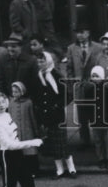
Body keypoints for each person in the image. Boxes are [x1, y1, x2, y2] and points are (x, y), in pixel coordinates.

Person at [32, 50, 76, 178]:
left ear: (48, 61)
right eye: (38, 61)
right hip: (46, 116)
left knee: (62, 143)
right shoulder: (38, 77)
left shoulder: (56, 75)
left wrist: (57, 105)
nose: (40, 64)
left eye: (43, 61)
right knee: (53, 144)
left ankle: (71, 168)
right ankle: (59, 169)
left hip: (57, 115)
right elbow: (38, 96)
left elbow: (67, 95)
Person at [78, 66, 108, 170]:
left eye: (97, 76)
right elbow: (88, 106)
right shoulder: (90, 91)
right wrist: (90, 118)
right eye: (93, 76)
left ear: (102, 77)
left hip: (107, 120)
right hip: (96, 120)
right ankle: (101, 158)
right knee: (98, 141)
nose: (94, 78)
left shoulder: (107, 90)